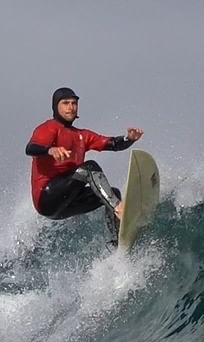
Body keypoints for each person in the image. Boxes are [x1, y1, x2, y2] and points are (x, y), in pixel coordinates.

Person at [25, 87, 143, 244]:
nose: (71, 107)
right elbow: (30, 148)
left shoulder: (82, 135)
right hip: (47, 198)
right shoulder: (49, 128)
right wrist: (51, 150)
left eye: (74, 103)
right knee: (89, 168)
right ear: (56, 106)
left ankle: (118, 240)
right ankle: (119, 209)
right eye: (65, 103)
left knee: (112, 193)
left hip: (68, 203)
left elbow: (112, 144)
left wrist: (129, 139)